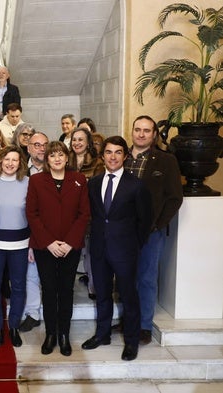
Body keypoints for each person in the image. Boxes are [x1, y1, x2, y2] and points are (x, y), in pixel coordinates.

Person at [82, 136, 152, 362]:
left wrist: (134, 245)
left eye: (118, 152)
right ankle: (102, 335)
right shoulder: (93, 183)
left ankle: (131, 342)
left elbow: (145, 221)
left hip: (125, 251)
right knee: (101, 294)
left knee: (128, 296)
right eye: (109, 152)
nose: (113, 157)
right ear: (102, 156)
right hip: (99, 248)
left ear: (125, 155)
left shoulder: (136, 185)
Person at [26, 141, 90, 357]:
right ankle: (50, 334)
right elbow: (32, 214)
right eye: (52, 155)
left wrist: (70, 242)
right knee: (49, 290)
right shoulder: (36, 181)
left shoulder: (79, 180)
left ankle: (64, 335)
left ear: (66, 157)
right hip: (46, 247)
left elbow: (84, 214)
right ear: (47, 159)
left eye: (60, 155)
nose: (56, 159)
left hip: (71, 247)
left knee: (66, 291)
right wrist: (49, 243)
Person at [124, 115, 183, 345]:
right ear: (132, 131)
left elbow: (175, 198)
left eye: (146, 130)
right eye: (137, 129)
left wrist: (158, 224)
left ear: (153, 134)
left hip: (150, 231)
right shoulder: (121, 156)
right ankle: (129, 319)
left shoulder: (166, 161)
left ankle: (144, 325)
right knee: (126, 278)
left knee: (146, 278)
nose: (141, 134)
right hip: (123, 231)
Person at [0, 145, 30, 348]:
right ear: (0, 160)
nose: (11, 163)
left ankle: (13, 326)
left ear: (20, 162)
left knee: (19, 287)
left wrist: (32, 245)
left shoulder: (28, 183)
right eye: (7, 159)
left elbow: (33, 214)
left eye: (15, 160)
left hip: (21, 243)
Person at [67, 127, 105, 300]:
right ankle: (68, 289)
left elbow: (98, 192)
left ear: (88, 142)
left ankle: (93, 288)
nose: (77, 143)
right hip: (68, 217)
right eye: (74, 140)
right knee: (71, 255)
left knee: (91, 254)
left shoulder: (97, 164)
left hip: (90, 215)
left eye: (81, 140)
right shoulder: (66, 162)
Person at [18, 131, 49, 333]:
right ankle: (33, 313)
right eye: (36, 145)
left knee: (50, 275)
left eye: (44, 144)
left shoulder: (56, 168)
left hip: (52, 231)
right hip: (27, 231)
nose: (41, 148)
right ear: (28, 148)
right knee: (30, 275)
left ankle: (53, 312)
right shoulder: (19, 170)